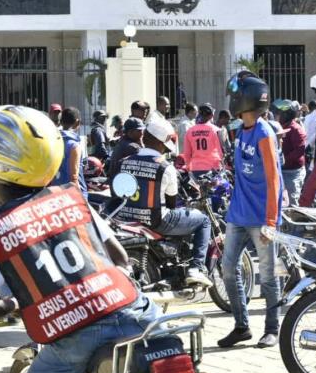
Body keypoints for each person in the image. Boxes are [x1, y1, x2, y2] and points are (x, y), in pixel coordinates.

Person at [0, 106, 236, 373]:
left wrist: (14, 304)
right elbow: (120, 257)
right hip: (132, 308)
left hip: (74, 336)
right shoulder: (73, 200)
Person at [218, 72, 283, 349]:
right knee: (228, 269)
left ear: (246, 100)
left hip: (260, 218)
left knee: (267, 276)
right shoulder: (240, 130)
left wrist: (271, 220)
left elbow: (274, 179)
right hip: (238, 215)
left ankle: (272, 329)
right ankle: (241, 326)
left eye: (235, 95)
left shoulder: (264, 133)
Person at [118, 120, 213, 286]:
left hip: (127, 218)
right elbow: (171, 204)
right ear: (160, 143)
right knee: (203, 220)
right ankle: (196, 269)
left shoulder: (125, 161)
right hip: (157, 221)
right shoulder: (165, 167)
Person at [272, 99, 306, 206]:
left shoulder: (296, 129)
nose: (275, 116)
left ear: (286, 115)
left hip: (293, 172)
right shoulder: (277, 127)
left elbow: (300, 150)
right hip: (280, 170)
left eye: (278, 114)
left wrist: (283, 160)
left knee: (292, 202)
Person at [52, 107, 87, 197]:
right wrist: (81, 198)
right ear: (77, 122)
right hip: (71, 195)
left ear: (61, 122)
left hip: (55, 192)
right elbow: (74, 178)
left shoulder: (53, 142)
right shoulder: (74, 146)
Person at [182, 103, 224, 176]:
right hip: (213, 168)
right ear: (211, 116)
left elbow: (187, 153)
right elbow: (221, 152)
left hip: (195, 168)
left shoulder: (190, 131)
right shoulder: (216, 130)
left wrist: (188, 167)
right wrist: (222, 165)